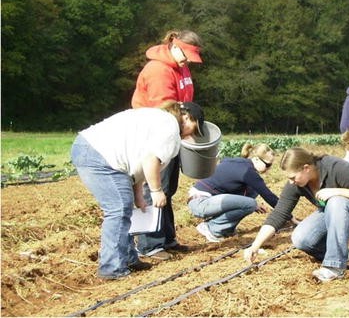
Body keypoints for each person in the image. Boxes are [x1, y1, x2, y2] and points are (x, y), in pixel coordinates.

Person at [71, 101, 205, 279]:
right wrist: (156, 190)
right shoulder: (170, 126)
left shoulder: (159, 119)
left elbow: (136, 157)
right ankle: (112, 267)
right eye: (194, 130)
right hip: (98, 154)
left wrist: (137, 194)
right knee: (118, 209)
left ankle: (128, 258)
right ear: (187, 118)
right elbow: (151, 159)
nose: (190, 137)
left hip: (91, 149)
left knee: (125, 206)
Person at [244, 147, 349, 282]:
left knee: (336, 201)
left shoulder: (335, 167)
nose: (291, 182)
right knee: (301, 238)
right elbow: (279, 214)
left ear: (306, 168)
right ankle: (344, 254)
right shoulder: (298, 184)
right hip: (335, 214)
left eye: (293, 177)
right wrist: (255, 245)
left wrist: (336, 191)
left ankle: (334, 267)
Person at [131, 29, 203, 260]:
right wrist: (184, 132)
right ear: (173, 44)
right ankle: (149, 245)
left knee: (168, 189)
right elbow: (166, 109)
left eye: (191, 57)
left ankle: (167, 238)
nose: (187, 61)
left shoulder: (181, 67)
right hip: (156, 134)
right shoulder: (158, 71)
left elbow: (185, 103)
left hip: (173, 132)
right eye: (185, 54)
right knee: (155, 188)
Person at [188, 143, 278, 242]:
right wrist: (287, 214)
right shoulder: (247, 171)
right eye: (268, 165)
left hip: (208, 200)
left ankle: (226, 229)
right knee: (251, 203)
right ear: (256, 159)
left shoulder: (239, 163)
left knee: (252, 193)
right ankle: (211, 228)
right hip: (200, 203)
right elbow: (269, 196)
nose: (269, 168)